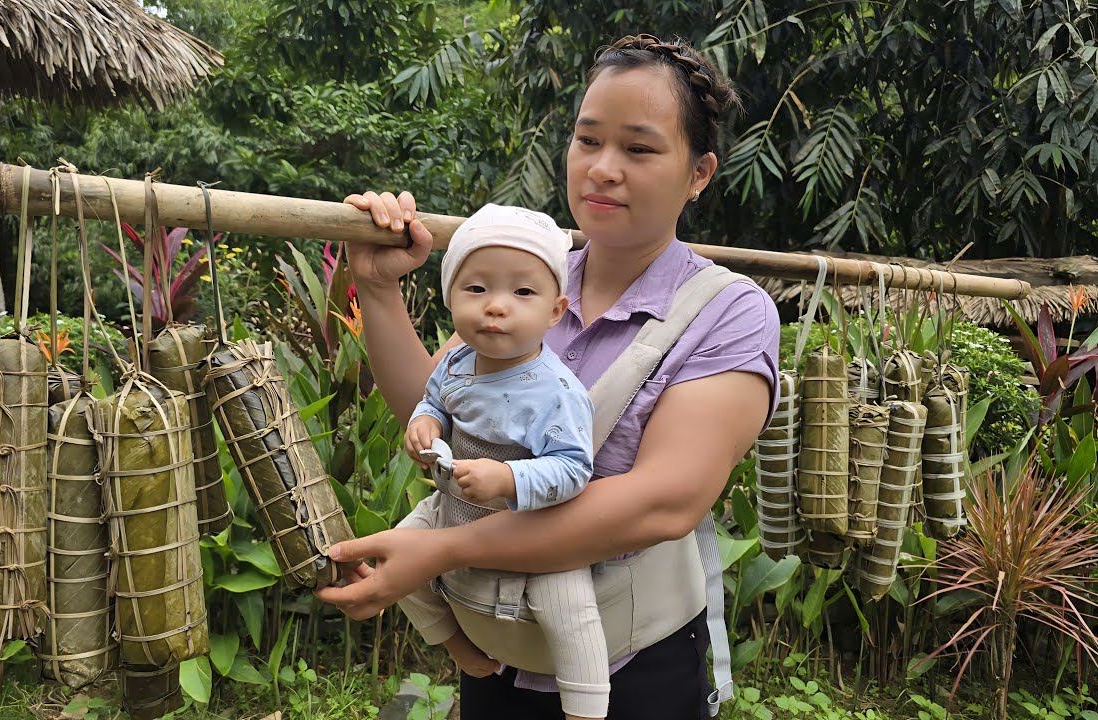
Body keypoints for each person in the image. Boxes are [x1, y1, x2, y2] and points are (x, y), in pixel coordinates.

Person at [319, 33, 780, 720]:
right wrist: (380, 292)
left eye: (640, 148)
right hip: (496, 652)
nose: (603, 169)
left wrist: (440, 550)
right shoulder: (527, 278)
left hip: (634, 672)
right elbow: (441, 402)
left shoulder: (729, 312)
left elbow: (665, 501)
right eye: (587, 140)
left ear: (699, 172)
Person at [398, 202, 609, 720]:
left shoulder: (555, 392)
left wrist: (509, 477)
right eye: (477, 289)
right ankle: (459, 649)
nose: (496, 306)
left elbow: (573, 469)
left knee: (568, 603)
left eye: (522, 292)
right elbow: (435, 401)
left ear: (555, 311)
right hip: (454, 505)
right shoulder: (455, 359)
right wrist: (424, 424)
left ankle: (586, 707)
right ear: (450, 297)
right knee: (397, 558)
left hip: (529, 525)